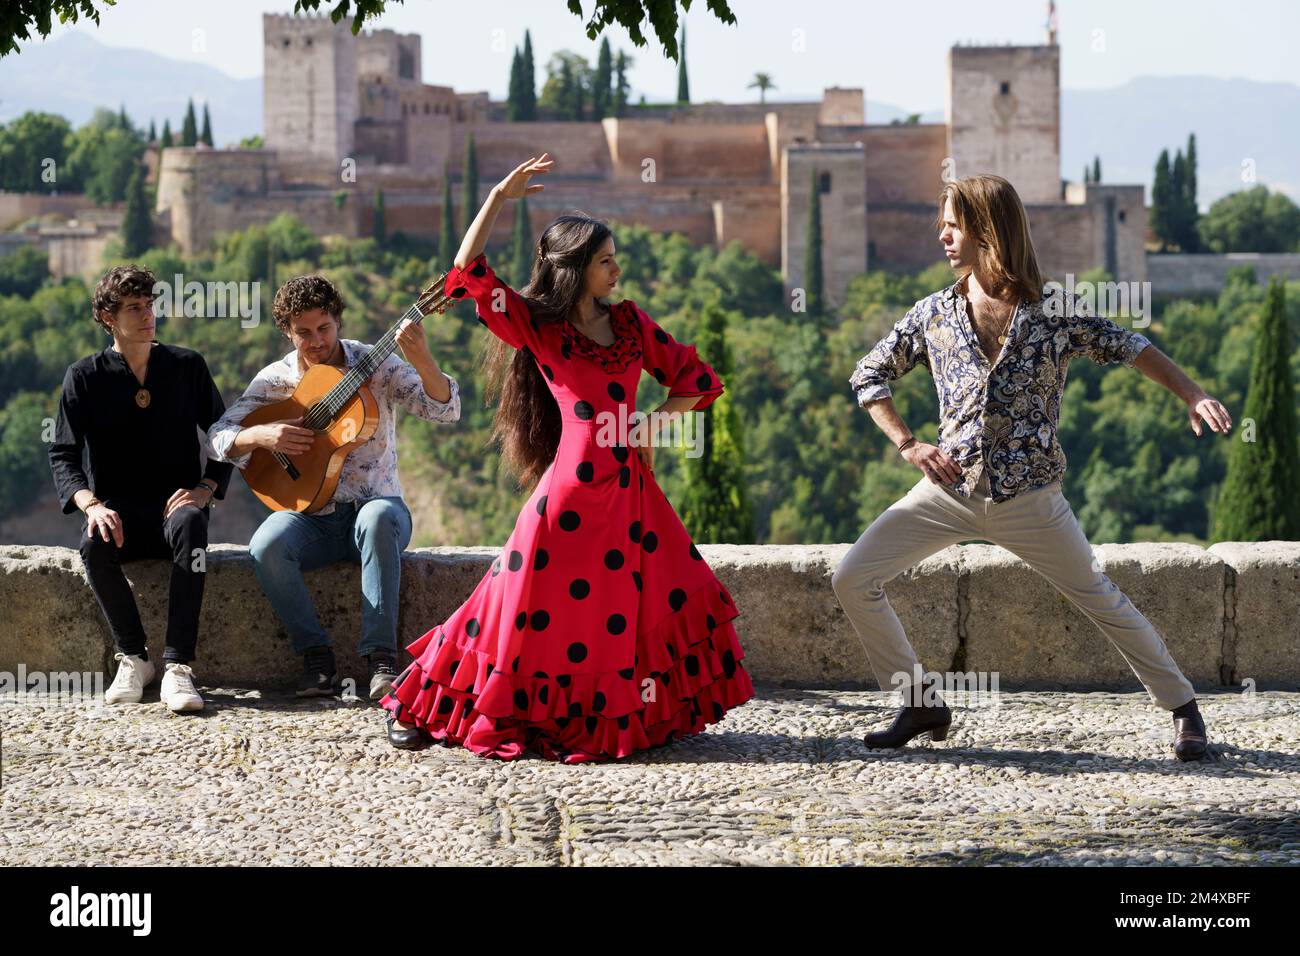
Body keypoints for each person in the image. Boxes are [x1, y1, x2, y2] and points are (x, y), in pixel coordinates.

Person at [833, 174, 1232, 761]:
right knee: (852, 578)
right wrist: (908, 444)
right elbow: (868, 376)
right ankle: (918, 701)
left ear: (986, 229)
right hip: (948, 492)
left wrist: (1192, 393)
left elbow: (1129, 346)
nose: (942, 236)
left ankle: (1184, 711)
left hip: (1032, 501)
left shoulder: (1053, 310)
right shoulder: (933, 314)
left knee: (1100, 597)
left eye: (952, 224)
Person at [380, 154, 755, 761]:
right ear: (577, 269)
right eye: (605, 260)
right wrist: (500, 194)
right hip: (567, 498)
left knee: (626, 613)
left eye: (614, 258)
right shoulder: (541, 328)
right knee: (512, 601)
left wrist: (653, 421)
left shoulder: (631, 324)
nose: (616, 269)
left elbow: (697, 380)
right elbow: (467, 270)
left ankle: (614, 720)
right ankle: (423, 701)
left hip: (629, 495)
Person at [208, 275, 461, 700]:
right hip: (313, 518)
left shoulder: (375, 364)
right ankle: (316, 660)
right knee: (266, 545)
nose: (316, 340)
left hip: (379, 510)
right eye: (303, 332)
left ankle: (382, 660)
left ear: (337, 321)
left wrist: (423, 359)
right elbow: (218, 436)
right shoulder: (277, 378)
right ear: (287, 332)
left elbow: (446, 409)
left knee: (377, 516)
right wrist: (263, 436)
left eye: (324, 328)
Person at [49, 264, 234, 712]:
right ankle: (134, 657)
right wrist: (91, 505)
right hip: (119, 512)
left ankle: (178, 668)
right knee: (93, 546)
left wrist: (206, 488)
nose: (148, 315)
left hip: (178, 507)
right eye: (134, 307)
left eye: (150, 305)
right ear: (108, 317)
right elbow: (64, 454)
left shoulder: (187, 366)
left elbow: (224, 435)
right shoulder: (84, 377)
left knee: (192, 526)